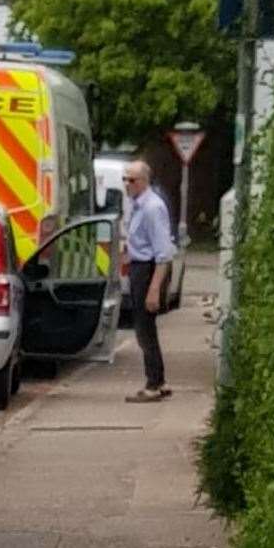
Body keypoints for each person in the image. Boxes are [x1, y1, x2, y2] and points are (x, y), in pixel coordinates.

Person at [121, 161, 176, 403]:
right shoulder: (138, 205)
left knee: (144, 329)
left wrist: (154, 289)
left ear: (143, 181)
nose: (126, 184)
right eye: (125, 179)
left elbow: (163, 252)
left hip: (148, 269)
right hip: (139, 267)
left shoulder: (152, 208)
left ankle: (153, 384)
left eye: (131, 180)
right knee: (146, 329)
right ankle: (160, 380)